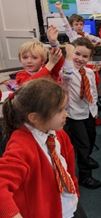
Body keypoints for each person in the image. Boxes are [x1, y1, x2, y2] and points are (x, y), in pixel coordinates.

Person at [0, 78, 87, 218]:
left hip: (69, 203)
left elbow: (68, 167)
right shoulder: (21, 145)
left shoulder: (58, 132)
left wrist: (75, 191)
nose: (66, 114)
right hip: (46, 210)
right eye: (60, 110)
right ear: (35, 118)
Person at [61, 38, 101, 189]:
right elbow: (65, 75)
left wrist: (95, 109)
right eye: (77, 54)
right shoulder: (68, 72)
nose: (80, 58)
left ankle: (86, 157)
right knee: (83, 144)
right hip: (74, 115)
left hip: (89, 112)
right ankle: (85, 175)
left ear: (90, 58)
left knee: (91, 139)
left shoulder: (89, 72)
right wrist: (69, 57)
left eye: (85, 56)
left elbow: (93, 91)